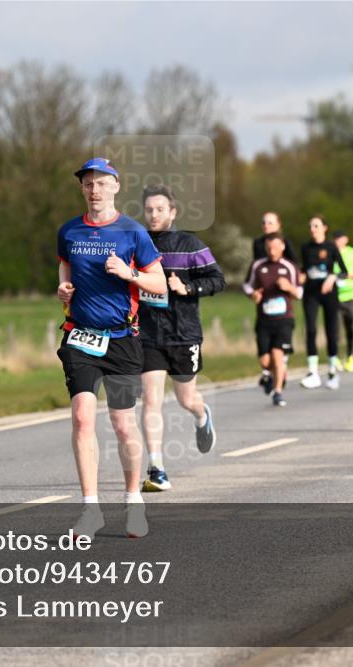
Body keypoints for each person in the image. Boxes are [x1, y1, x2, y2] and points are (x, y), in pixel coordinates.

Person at [56, 157, 165, 538]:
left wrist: (129, 274)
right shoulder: (68, 231)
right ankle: (90, 510)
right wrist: (63, 290)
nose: (94, 190)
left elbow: (160, 285)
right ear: (82, 189)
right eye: (88, 184)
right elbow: (65, 269)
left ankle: (133, 499)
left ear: (116, 186)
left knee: (122, 425)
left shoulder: (133, 233)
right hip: (80, 336)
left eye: (102, 183)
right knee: (83, 417)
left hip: (122, 339)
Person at [137, 184, 225, 492]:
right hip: (148, 334)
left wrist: (188, 288)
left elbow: (217, 280)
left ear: (172, 212)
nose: (154, 215)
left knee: (186, 399)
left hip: (184, 333)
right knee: (151, 400)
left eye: (160, 209)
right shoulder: (137, 243)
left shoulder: (189, 244)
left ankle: (202, 415)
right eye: (149, 210)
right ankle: (157, 467)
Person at [246, 233, 301, 407]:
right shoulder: (258, 265)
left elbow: (299, 293)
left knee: (278, 355)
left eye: (275, 247)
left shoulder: (289, 267)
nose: (272, 251)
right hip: (263, 319)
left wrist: (289, 287)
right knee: (265, 361)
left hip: (284, 319)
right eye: (269, 247)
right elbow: (247, 285)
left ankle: (278, 392)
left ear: (282, 247)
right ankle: (270, 375)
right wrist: (252, 294)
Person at [298, 215, 348, 390]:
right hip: (311, 293)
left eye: (316, 226)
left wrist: (332, 277)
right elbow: (304, 269)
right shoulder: (306, 247)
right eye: (311, 226)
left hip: (328, 293)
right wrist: (300, 278)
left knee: (330, 330)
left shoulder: (331, 247)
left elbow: (344, 271)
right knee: (310, 329)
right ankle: (313, 371)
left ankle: (333, 371)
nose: (312, 229)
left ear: (324, 228)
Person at [332, 230, 353, 372]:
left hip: (350, 295)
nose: (337, 241)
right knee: (335, 329)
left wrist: (349, 275)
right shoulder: (330, 252)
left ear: (346, 239)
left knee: (349, 326)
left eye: (340, 238)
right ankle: (335, 357)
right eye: (335, 238)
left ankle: (350, 355)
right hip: (334, 296)